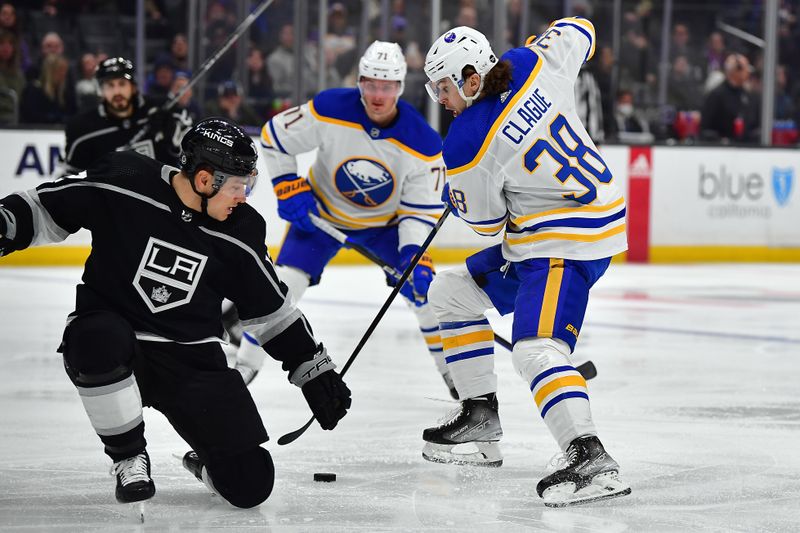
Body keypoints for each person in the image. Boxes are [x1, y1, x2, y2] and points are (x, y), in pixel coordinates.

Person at [0, 117, 352, 509]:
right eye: (238, 186)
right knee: (93, 339)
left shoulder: (241, 228)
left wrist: (314, 371)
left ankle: (204, 460)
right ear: (205, 180)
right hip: (116, 336)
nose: (244, 197)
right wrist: (6, 223)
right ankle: (128, 457)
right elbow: (46, 206)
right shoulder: (125, 177)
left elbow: (269, 309)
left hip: (192, 359)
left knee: (251, 483)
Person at [421, 20, 631, 507]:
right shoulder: (532, 61)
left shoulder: (466, 139)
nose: (440, 98)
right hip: (585, 219)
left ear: (473, 78)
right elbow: (581, 28)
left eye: (445, 87)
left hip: (562, 243)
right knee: (449, 293)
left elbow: (488, 225)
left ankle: (591, 457)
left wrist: (467, 191)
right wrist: (538, 43)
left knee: (535, 351)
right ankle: (480, 415)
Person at [245, 40, 452, 396]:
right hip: (320, 218)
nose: (377, 94)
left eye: (386, 86)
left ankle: (454, 379)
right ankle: (243, 367)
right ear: (359, 81)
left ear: (400, 87)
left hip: (384, 229)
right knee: (279, 289)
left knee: (424, 295)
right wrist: (286, 184)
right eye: (370, 83)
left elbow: (418, 210)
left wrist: (413, 253)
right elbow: (273, 137)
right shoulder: (330, 108)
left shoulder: (424, 142)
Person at [62, 57, 192, 175]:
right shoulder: (82, 128)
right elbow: (71, 178)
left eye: (122, 84)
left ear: (134, 87)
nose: (117, 92)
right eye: (110, 85)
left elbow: (192, 158)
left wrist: (174, 141)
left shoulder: (165, 111)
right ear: (101, 91)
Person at [700, 53, 757, 143]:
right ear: (734, 71)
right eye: (744, 70)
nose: (747, 73)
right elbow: (705, 128)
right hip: (722, 149)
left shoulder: (747, 95)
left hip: (745, 147)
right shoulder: (716, 95)